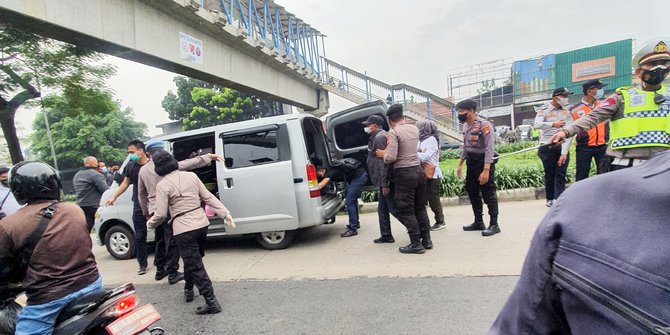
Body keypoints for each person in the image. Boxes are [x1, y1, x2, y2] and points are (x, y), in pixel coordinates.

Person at [488, 150, 670, 334]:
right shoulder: (580, 204)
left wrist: (564, 146)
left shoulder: (580, 203)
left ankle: (493, 222)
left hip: (631, 162)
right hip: (625, 162)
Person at [0, 161, 102, 335]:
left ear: (17, 190)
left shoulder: (9, 225)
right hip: (92, 283)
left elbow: (4, 267)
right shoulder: (74, 210)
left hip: (50, 299)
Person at [551, 38, 670, 170]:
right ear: (638, 72)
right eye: (652, 64)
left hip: (662, 165)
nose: (659, 68)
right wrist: (565, 132)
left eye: (664, 63)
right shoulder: (621, 98)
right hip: (625, 165)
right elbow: (592, 118)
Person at [147, 150, 235, 315]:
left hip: (183, 228)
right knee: (194, 259)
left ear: (157, 168)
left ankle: (211, 301)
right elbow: (208, 197)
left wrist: (150, 224)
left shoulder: (162, 185)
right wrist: (225, 213)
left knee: (194, 264)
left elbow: (160, 215)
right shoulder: (191, 176)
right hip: (201, 224)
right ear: (173, 161)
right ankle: (188, 288)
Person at [138, 140, 221, 284]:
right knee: (172, 241)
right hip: (167, 209)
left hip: (154, 209)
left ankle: (159, 270)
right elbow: (190, 163)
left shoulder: (143, 170)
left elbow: (141, 193)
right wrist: (208, 157)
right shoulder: (168, 166)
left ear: (148, 153)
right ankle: (172, 272)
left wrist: (146, 212)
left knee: (160, 241)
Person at [376, 103, 432, 254]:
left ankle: (415, 243)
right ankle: (426, 240)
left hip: (405, 173)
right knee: (420, 207)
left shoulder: (394, 132)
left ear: (390, 119)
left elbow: (392, 157)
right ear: (402, 115)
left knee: (405, 209)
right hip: (418, 171)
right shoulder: (414, 128)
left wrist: (383, 155)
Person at [456, 99, 501, 237]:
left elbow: (489, 149)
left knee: (488, 193)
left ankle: (494, 224)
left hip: (483, 162)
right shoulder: (465, 126)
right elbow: (466, 146)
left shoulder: (484, 125)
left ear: (471, 111)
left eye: (462, 111)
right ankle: (478, 221)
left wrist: (486, 170)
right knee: (472, 191)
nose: (460, 114)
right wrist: (460, 163)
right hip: (471, 162)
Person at [105, 140, 151, 275]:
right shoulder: (131, 166)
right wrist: (114, 196)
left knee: (161, 233)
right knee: (140, 235)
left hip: (154, 203)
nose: (130, 155)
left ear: (140, 151)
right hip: (138, 204)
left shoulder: (152, 165)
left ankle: (162, 262)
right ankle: (142, 264)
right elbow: (125, 183)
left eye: (131, 152)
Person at [534, 87, 574, 207]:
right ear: (556, 97)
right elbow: (536, 124)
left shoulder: (568, 109)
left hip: (562, 144)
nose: (566, 99)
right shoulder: (544, 109)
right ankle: (550, 198)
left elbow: (570, 129)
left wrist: (564, 152)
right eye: (564, 96)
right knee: (550, 173)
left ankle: (559, 199)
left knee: (561, 173)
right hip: (548, 146)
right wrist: (552, 124)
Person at [362, 115, 396, 243]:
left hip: (385, 181)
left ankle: (416, 231)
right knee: (382, 210)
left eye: (368, 125)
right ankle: (386, 235)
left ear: (375, 125)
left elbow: (384, 162)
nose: (366, 127)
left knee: (393, 209)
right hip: (383, 180)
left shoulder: (380, 137)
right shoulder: (376, 136)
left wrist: (384, 183)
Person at [570, 79, 610, 181]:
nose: (601, 91)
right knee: (582, 176)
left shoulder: (604, 105)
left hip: (602, 146)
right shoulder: (575, 110)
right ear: (589, 91)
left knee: (604, 175)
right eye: (599, 88)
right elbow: (570, 129)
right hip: (584, 148)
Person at [316, 160, 368, 238]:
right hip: (357, 177)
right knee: (352, 200)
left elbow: (322, 184)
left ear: (321, 170)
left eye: (319, 174)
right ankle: (355, 224)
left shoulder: (329, 172)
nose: (320, 176)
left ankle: (353, 229)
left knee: (349, 202)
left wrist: (309, 188)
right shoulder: (330, 170)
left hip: (359, 177)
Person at [416, 120, 446, 231]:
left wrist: (412, 152)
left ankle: (440, 221)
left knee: (433, 199)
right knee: (422, 199)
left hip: (432, 174)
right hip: (423, 172)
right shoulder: (420, 140)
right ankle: (424, 223)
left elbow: (427, 156)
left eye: (419, 127)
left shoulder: (432, 140)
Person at [73, 156, 109, 232]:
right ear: (91, 163)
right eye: (96, 162)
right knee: (107, 223)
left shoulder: (77, 174)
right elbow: (105, 190)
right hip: (94, 205)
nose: (97, 163)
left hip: (81, 205)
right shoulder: (95, 174)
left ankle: (82, 241)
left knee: (86, 227)